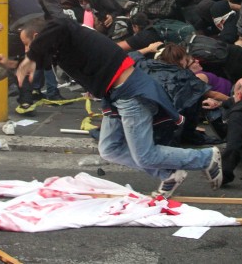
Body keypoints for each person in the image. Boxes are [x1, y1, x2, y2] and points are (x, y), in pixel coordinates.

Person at [16, 17, 223, 198]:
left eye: (27, 45)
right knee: (109, 149)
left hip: (131, 93)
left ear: (37, 37)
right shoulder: (60, 46)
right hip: (116, 96)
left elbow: (58, 25)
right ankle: (168, 174)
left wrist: (30, 55)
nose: (26, 51)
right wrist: (10, 65)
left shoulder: (68, 30)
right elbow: (41, 61)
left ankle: (206, 157)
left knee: (145, 155)